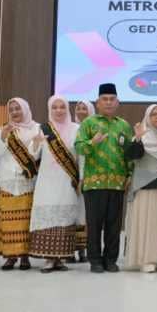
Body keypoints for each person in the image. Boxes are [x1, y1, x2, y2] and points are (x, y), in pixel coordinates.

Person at [75, 83, 135, 273]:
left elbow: (130, 154)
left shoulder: (124, 125)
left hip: (117, 183)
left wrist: (130, 175)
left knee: (114, 225)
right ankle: (95, 260)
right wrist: (92, 142)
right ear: (98, 102)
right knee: (94, 224)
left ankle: (111, 260)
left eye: (112, 99)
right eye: (105, 99)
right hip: (94, 183)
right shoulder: (88, 124)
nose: (108, 103)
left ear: (117, 102)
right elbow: (78, 147)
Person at [28, 95, 81, 273]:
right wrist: (35, 144)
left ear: (67, 109)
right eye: (55, 108)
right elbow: (33, 156)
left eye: (62, 107)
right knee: (48, 213)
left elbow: (81, 156)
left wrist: (81, 179)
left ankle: (59, 258)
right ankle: (49, 260)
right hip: (47, 181)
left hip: (68, 181)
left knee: (65, 216)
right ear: (50, 110)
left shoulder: (77, 129)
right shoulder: (43, 129)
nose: (59, 111)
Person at [0, 97, 42, 271]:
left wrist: (36, 144)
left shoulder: (37, 128)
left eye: (18, 108)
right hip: (7, 181)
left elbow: (36, 155)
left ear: (25, 109)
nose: (15, 112)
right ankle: (10, 256)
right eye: (12, 109)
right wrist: (3, 136)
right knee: (8, 221)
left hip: (27, 181)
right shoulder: (2, 129)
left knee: (25, 222)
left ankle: (24, 256)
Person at [125, 104, 157, 273]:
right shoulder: (142, 135)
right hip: (144, 187)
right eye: (154, 114)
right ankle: (145, 259)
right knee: (146, 223)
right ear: (148, 117)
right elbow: (132, 155)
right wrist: (137, 139)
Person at [72, 99, 96, 262]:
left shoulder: (94, 129)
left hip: (89, 176)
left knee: (86, 214)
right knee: (72, 213)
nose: (81, 111)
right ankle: (70, 249)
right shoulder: (71, 128)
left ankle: (84, 250)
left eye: (84, 108)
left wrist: (82, 177)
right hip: (69, 176)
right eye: (79, 108)